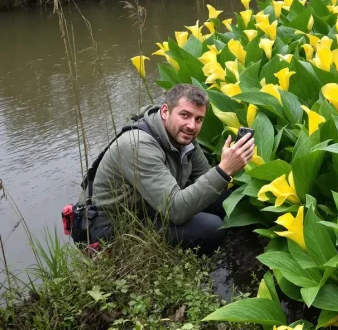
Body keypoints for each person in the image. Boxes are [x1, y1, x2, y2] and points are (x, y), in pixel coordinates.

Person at [76, 84, 255, 254]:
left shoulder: (182, 136)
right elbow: (176, 210)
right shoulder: (138, 146)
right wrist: (224, 169)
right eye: (185, 115)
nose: (192, 125)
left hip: (150, 207)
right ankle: (184, 270)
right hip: (113, 229)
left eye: (198, 119)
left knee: (226, 200)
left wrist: (233, 165)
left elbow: (204, 176)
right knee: (211, 227)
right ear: (165, 111)